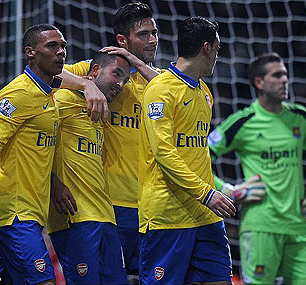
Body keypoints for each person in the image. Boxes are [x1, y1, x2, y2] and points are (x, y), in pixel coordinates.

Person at [54, 2, 160, 276]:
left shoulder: (158, 84)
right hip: (111, 203)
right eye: (144, 34)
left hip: (154, 203)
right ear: (122, 40)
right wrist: (87, 85)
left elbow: (180, 90)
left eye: (154, 32)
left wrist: (136, 63)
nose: (153, 40)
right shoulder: (102, 72)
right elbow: (51, 73)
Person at [208, 52, 306, 284]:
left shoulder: (300, 117)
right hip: (260, 226)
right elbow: (199, 155)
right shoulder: (243, 121)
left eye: (285, 74)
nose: (285, 80)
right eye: (277, 75)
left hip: (298, 226)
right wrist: (229, 190)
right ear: (259, 83)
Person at [0, 24, 68, 284]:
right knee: (45, 281)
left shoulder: (50, 93)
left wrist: (54, 181)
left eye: (63, 46)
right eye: (52, 46)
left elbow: (34, 149)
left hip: (32, 210)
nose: (61, 52)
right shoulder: (17, 94)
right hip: (15, 212)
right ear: (30, 52)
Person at [138, 16, 236, 284]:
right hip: (168, 216)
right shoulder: (160, 90)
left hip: (205, 215)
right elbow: (164, 153)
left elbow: (197, 153)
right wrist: (207, 194)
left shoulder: (205, 92)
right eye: (218, 47)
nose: (218, 55)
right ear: (207, 48)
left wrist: (207, 196)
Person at [47, 52, 131, 284]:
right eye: (116, 74)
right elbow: (34, 146)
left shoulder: (100, 113)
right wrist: (53, 182)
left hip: (106, 217)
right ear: (94, 71)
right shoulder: (61, 100)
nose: (121, 84)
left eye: (125, 79)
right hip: (75, 217)